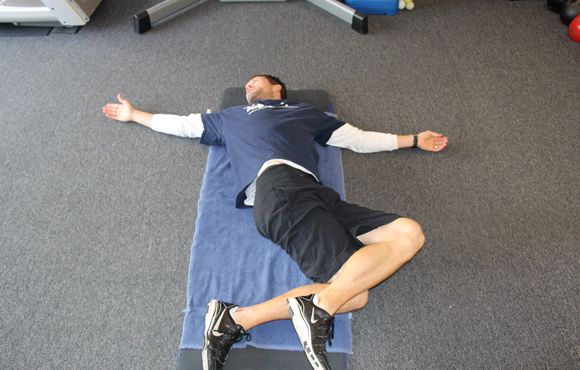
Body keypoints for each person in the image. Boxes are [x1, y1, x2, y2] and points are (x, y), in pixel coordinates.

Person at [102, 75, 448, 370]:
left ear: (278, 88)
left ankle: (241, 319)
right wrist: (135, 114)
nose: (248, 84)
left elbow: (356, 138)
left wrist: (414, 139)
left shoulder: (306, 113)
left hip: (316, 194)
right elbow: (182, 125)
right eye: (247, 82)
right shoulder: (231, 116)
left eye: (257, 79)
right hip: (277, 192)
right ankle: (310, 310)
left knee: (407, 235)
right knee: (354, 294)